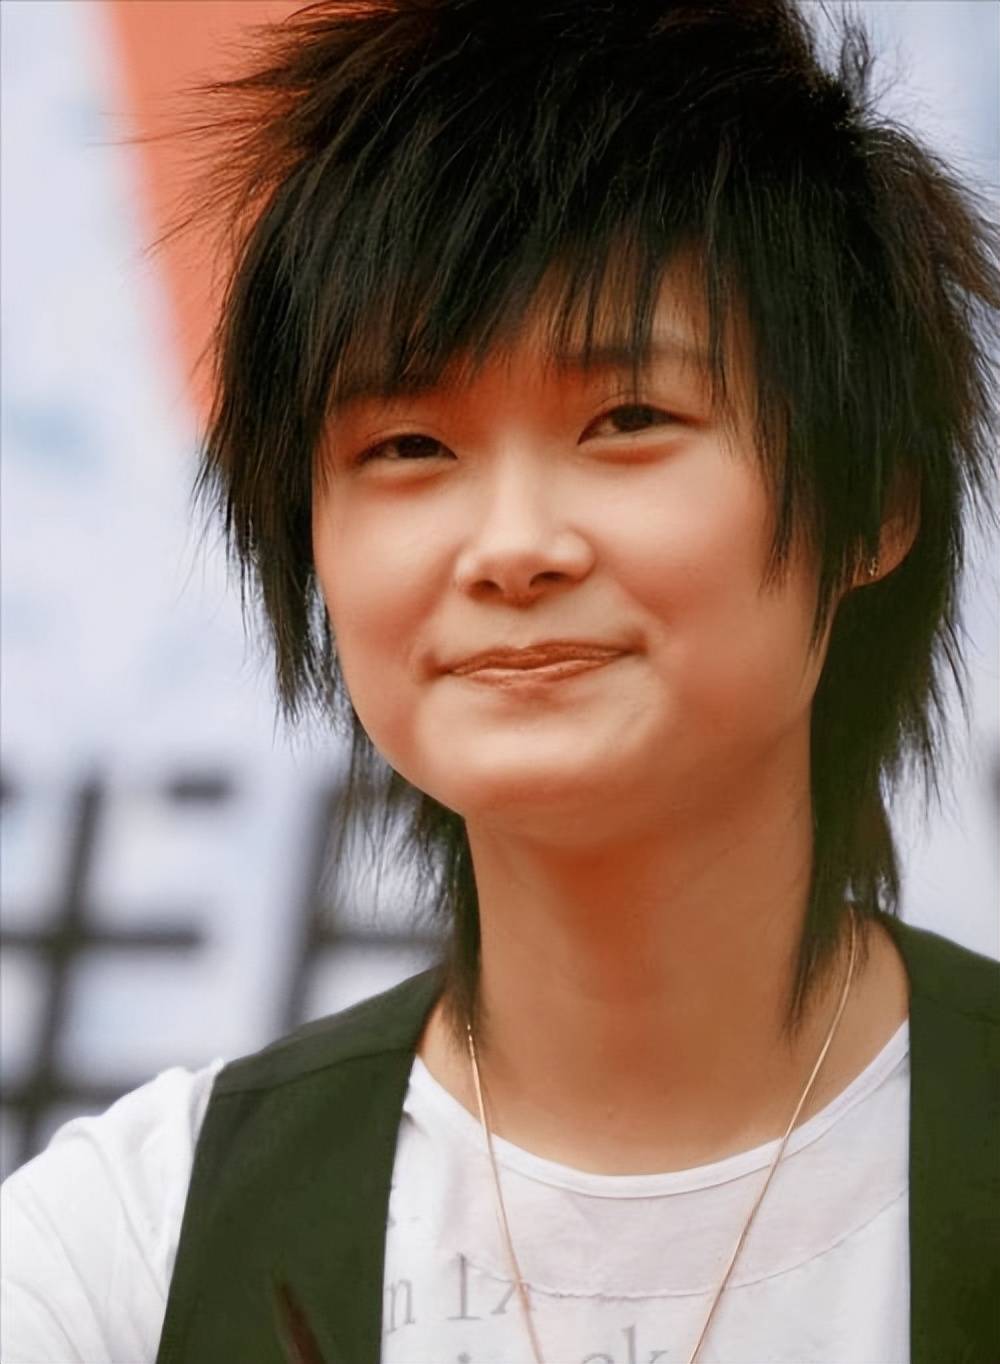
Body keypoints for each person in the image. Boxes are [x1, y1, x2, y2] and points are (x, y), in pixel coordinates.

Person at [2, 1, 998, 1361]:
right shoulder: (135, 1255)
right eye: (410, 446)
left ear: (872, 504)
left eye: (628, 419)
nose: (514, 545)